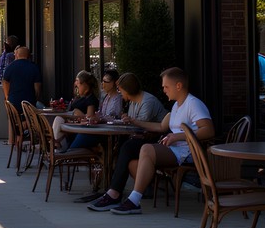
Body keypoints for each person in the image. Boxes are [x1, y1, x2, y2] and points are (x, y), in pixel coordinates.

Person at [89, 67, 213, 215]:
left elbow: (208, 130)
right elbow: (161, 127)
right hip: (175, 149)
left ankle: (132, 200)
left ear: (178, 86)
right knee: (132, 160)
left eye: (166, 86)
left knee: (144, 149)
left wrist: (178, 136)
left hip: (187, 152)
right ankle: (119, 194)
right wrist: (135, 121)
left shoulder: (193, 104)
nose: (164, 90)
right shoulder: (177, 105)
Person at [67, 68, 123, 151]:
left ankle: (68, 154)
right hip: (100, 129)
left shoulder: (118, 99)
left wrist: (99, 119)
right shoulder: (107, 97)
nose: (102, 84)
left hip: (106, 133)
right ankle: (67, 153)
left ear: (114, 83)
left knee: (82, 134)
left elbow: (115, 118)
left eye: (106, 81)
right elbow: (101, 114)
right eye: (102, 81)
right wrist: (92, 117)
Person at [51, 70, 99, 149]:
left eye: (77, 82)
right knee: (58, 119)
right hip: (70, 127)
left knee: (58, 120)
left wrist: (78, 114)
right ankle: (57, 144)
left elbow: (90, 119)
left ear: (85, 85)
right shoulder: (79, 97)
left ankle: (59, 146)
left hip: (78, 130)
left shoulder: (91, 99)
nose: (75, 84)